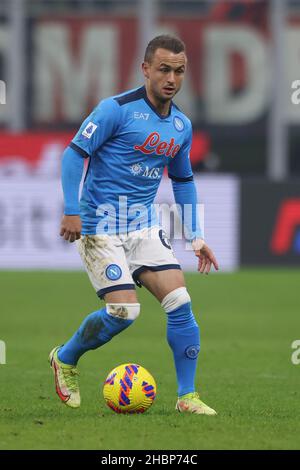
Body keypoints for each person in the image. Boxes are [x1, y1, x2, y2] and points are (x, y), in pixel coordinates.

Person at [49, 34, 219, 415]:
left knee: (180, 301)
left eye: (179, 71)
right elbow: (74, 155)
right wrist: (72, 209)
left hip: (142, 223)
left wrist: (195, 235)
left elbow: (183, 179)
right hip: (98, 224)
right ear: (145, 69)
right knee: (125, 312)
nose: (171, 78)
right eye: (163, 69)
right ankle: (65, 358)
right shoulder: (116, 109)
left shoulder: (180, 125)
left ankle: (187, 397)